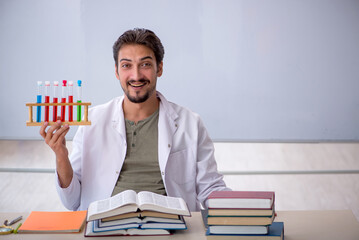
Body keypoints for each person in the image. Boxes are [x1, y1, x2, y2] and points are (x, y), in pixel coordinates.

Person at [40, 28, 230, 211]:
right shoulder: (91, 120)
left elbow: (210, 187)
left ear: (160, 68)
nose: (136, 75)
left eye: (145, 64)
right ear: (117, 71)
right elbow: (71, 202)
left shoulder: (190, 123)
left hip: (171, 226)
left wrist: (247, 209)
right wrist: (61, 156)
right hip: (106, 225)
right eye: (126, 65)